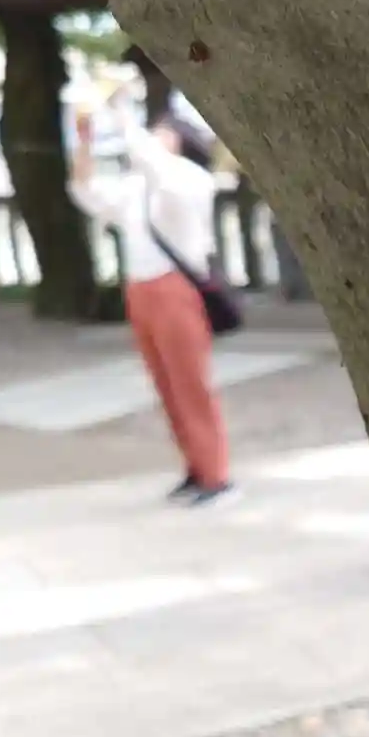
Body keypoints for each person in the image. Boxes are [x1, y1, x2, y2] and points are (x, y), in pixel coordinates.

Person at [72, 96, 235, 506]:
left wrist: (122, 117)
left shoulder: (189, 179)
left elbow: (156, 166)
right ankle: (195, 468)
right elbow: (87, 193)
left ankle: (217, 476)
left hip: (174, 289)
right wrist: (84, 141)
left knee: (190, 384)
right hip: (141, 289)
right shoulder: (137, 185)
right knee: (166, 385)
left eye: (162, 130)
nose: (154, 135)